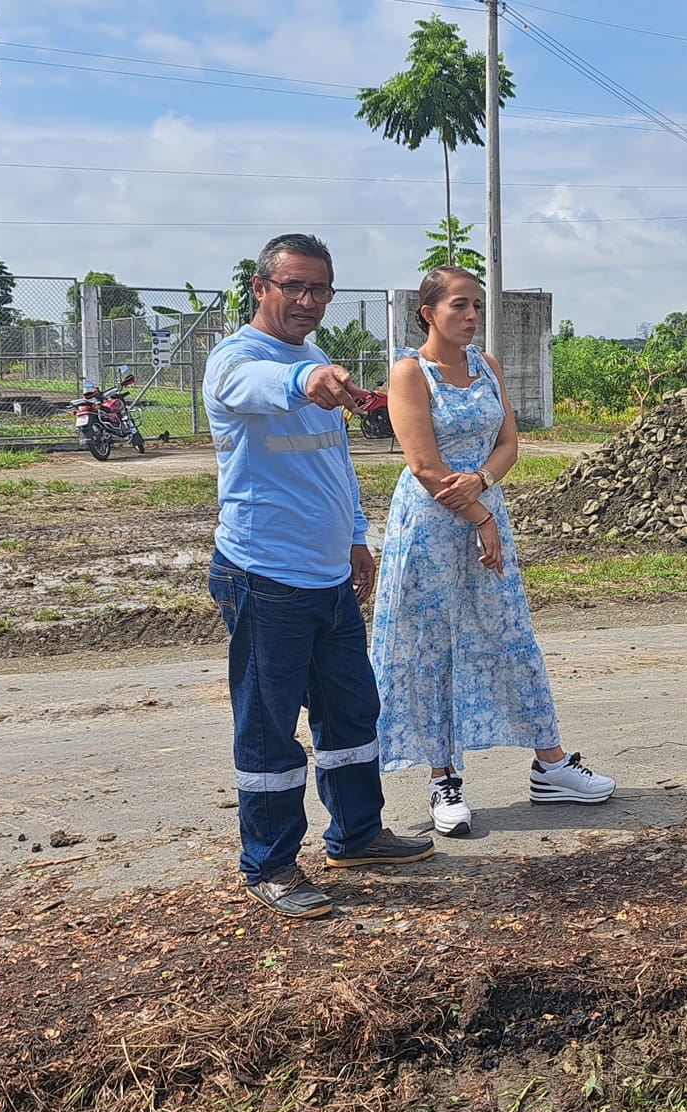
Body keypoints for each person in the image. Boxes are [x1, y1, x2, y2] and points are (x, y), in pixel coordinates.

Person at [202, 233, 432, 919]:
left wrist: (357, 537)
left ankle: (358, 835)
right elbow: (256, 387)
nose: (307, 300)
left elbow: (332, 460)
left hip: (330, 575)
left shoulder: (314, 356)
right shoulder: (236, 360)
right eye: (293, 286)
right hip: (264, 576)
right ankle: (270, 866)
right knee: (269, 727)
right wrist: (306, 383)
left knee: (352, 713)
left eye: (319, 289)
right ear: (259, 287)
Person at [370, 265, 615, 836]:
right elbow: (423, 465)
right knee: (433, 644)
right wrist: (479, 514)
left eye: (476, 305)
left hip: (484, 511)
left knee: (507, 632)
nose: (472, 315)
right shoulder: (410, 372)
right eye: (459, 305)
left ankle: (550, 765)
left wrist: (482, 482)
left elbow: (509, 443)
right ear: (428, 313)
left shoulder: (486, 366)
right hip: (430, 526)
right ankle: (443, 777)